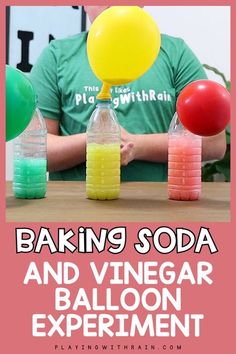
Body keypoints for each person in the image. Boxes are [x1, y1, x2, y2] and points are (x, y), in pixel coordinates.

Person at [30, 6, 226, 182]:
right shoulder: (57, 55)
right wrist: (97, 139)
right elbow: (34, 150)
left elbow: (213, 142)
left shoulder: (176, 53)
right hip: (75, 209)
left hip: (163, 207)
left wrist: (137, 146)